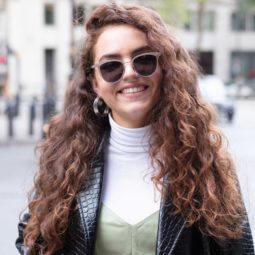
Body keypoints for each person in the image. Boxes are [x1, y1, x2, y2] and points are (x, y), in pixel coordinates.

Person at [16, 3, 254, 255]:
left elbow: (238, 249)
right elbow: (31, 239)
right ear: (94, 82)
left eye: (144, 60)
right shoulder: (67, 159)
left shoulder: (205, 159)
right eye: (111, 66)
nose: (129, 73)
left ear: (164, 69)